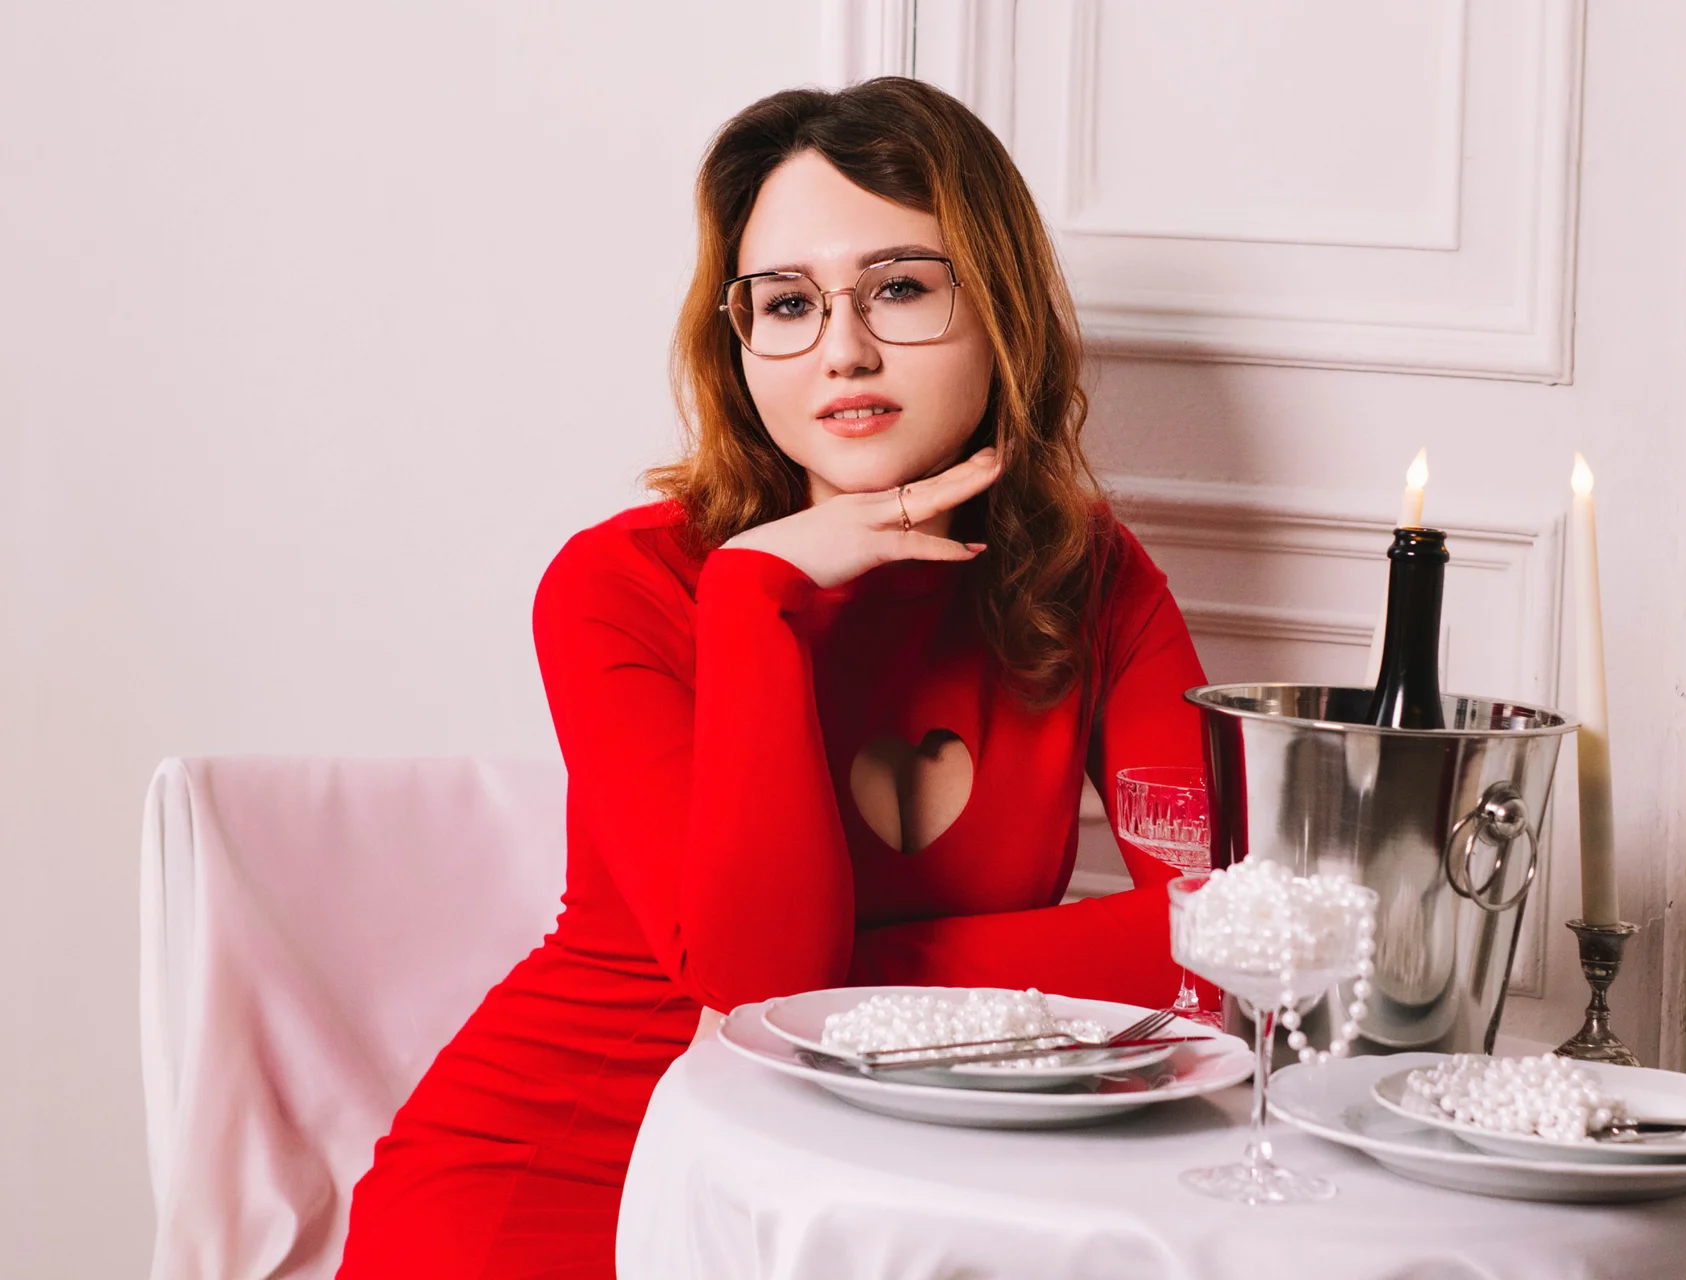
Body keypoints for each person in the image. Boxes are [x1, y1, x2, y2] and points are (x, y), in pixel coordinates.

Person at [337, 76, 1206, 1280]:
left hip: (898, 1199)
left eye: (900, 286)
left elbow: (1228, 933)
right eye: (788, 303)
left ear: (1001, 304)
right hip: (566, 1179)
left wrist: (846, 989)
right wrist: (753, 597)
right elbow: (759, 982)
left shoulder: (1089, 577)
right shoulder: (625, 585)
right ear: (739, 340)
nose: (843, 349)